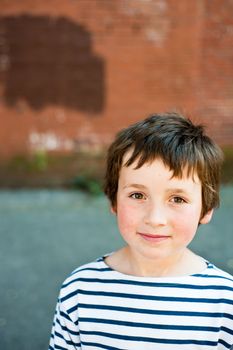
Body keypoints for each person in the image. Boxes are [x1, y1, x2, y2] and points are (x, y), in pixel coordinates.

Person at [49, 112, 233, 350]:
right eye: (137, 195)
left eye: (177, 199)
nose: (155, 219)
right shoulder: (79, 291)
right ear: (113, 201)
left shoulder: (225, 301)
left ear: (206, 209)